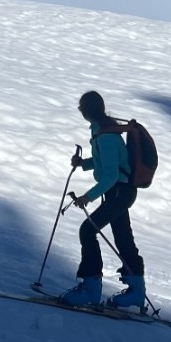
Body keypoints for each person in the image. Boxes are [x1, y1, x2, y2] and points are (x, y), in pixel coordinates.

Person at [58, 90, 146, 309]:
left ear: (86, 111)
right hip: (121, 191)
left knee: (87, 230)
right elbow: (107, 163)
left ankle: (91, 288)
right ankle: (136, 291)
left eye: (81, 107)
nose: (80, 111)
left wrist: (88, 197)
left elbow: (111, 175)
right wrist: (83, 164)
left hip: (119, 191)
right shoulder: (102, 129)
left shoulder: (105, 136)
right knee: (123, 238)